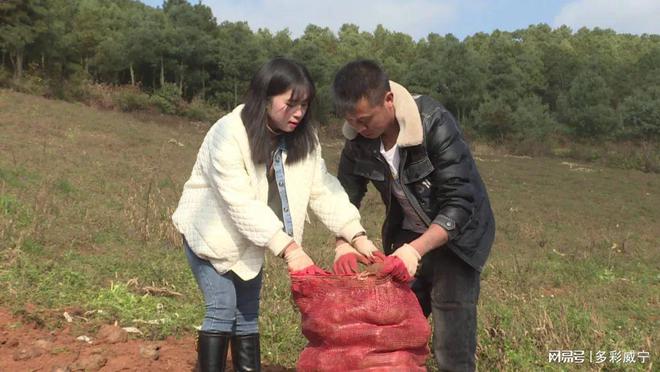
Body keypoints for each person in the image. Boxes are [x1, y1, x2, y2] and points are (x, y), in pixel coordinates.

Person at [172, 58, 381, 372]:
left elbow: (322, 188)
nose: (299, 113)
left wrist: (355, 233)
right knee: (222, 308)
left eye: (305, 105)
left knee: (246, 315)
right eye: (291, 104)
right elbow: (239, 203)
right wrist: (290, 249)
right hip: (210, 235)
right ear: (265, 98)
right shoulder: (228, 133)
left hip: (250, 241)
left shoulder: (304, 140)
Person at [332, 59, 495, 372]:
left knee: (451, 339)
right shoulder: (357, 139)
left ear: (389, 100)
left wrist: (416, 250)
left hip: (456, 237)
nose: (361, 129)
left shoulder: (433, 123)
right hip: (405, 234)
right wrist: (344, 239)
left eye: (366, 120)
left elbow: (460, 203)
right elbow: (345, 195)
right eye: (353, 122)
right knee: (393, 329)